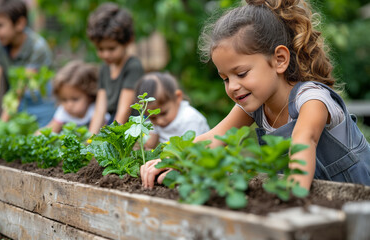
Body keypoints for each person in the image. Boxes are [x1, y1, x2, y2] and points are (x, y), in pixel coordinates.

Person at [141, 0, 370, 190]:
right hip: (322, 206)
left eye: (241, 73)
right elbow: (214, 137)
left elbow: (303, 142)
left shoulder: (311, 100)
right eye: (225, 79)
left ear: (279, 60)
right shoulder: (256, 104)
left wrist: (290, 199)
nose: (232, 86)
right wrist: (171, 158)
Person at [0, 0, 55, 128]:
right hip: (19, 106)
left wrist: (2, 123)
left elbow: (20, 87)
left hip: (43, 106)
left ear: (20, 23)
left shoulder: (37, 47)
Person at [86, 2, 144, 134]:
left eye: (111, 49)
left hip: (132, 126)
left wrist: (111, 140)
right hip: (114, 122)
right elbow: (100, 110)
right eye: (100, 49)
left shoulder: (133, 66)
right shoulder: (104, 69)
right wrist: (89, 141)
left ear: (128, 41)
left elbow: (124, 111)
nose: (105, 54)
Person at [135, 72, 210, 149]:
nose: (159, 121)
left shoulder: (190, 119)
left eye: (164, 113)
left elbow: (192, 150)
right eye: (153, 118)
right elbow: (149, 144)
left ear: (178, 97)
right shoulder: (158, 120)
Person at [38, 60, 109, 133]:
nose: (69, 105)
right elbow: (51, 129)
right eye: (64, 100)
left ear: (89, 96)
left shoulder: (96, 110)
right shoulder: (63, 112)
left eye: (75, 99)